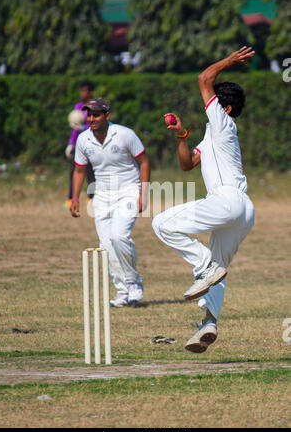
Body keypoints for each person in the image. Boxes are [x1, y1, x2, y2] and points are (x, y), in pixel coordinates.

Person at [152, 47, 256, 353]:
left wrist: (230, 61)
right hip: (243, 211)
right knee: (219, 267)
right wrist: (182, 137)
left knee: (161, 223)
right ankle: (209, 323)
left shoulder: (223, 123)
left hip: (225, 201)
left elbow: (204, 78)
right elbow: (187, 164)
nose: (207, 106)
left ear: (224, 108)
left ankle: (203, 267)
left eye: (214, 104)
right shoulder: (214, 133)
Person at [70, 98, 151, 307]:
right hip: (102, 195)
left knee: (118, 236)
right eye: (89, 115)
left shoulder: (125, 134)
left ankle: (134, 283)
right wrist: (75, 198)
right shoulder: (83, 139)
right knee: (106, 245)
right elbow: (79, 170)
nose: (91, 119)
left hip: (128, 190)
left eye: (96, 114)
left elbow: (144, 162)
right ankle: (122, 292)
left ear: (107, 116)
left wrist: (144, 193)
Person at [65, 80, 95, 207]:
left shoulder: (94, 106)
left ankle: (92, 198)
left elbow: (94, 125)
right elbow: (74, 129)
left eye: (85, 90)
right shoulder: (78, 107)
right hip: (79, 144)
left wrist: (83, 127)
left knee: (90, 172)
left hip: (92, 143)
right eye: (81, 90)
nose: (82, 93)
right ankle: (71, 198)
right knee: (74, 171)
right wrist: (71, 143)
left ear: (90, 92)